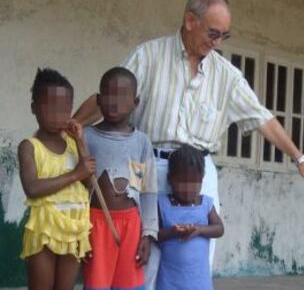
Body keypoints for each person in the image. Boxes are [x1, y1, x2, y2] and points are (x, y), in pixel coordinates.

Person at [74, 0, 304, 289]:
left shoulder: (227, 75)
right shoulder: (148, 56)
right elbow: (109, 97)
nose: (217, 43)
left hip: (199, 175)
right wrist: (72, 125)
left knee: (194, 261)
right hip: (148, 166)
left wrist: (300, 158)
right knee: (143, 258)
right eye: (213, 33)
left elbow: (260, 116)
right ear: (190, 21)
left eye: (224, 36)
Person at [18, 68, 95, 290]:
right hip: (44, 229)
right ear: (34, 107)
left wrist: (80, 142)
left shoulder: (73, 145)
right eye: (49, 107)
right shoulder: (29, 147)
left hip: (73, 230)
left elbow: (89, 183)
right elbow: (32, 187)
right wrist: (75, 174)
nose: (57, 114)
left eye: (64, 108)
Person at [81, 67, 158, 290]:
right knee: (96, 284)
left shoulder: (141, 142)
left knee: (129, 285)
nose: (115, 102)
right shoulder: (86, 137)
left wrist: (148, 234)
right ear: (98, 99)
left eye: (123, 96)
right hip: (95, 224)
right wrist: (80, 232)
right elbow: (78, 188)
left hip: (131, 226)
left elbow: (147, 191)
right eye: (108, 94)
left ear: (135, 102)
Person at [157, 144, 224, 290]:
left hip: (199, 281)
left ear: (202, 180)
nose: (188, 189)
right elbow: (154, 234)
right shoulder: (163, 204)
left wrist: (199, 230)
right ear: (170, 180)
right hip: (170, 281)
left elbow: (219, 229)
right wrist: (172, 232)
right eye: (182, 183)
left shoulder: (205, 204)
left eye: (194, 183)